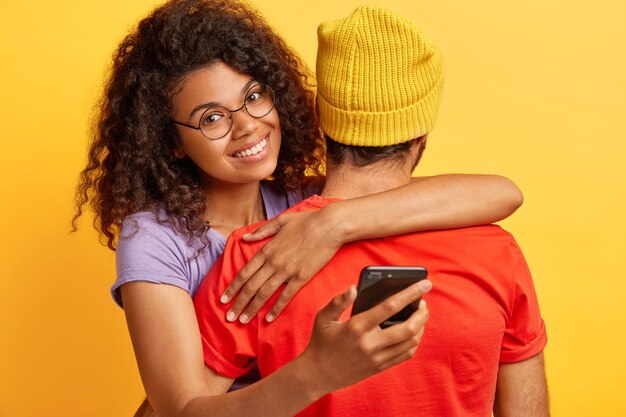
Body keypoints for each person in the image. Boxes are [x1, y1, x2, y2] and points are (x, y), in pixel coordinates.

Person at [72, 0, 523, 415]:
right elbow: (177, 410)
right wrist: (317, 373)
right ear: (172, 143)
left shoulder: (298, 200)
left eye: (253, 97)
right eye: (212, 118)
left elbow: (500, 194)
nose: (248, 126)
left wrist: (335, 223)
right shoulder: (153, 239)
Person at [193, 5, 549, 416]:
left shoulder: (258, 254)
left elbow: (181, 409)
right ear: (422, 133)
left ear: (319, 117)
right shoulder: (497, 253)